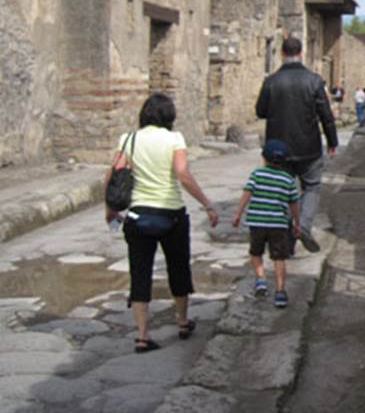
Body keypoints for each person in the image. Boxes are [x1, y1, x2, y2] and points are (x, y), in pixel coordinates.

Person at [104, 93, 220, 353]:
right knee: (178, 268)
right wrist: (206, 203)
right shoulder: (174, 139)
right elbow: (182, 173)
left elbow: (112, 174)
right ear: (169, 116)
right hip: (171, 215)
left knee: (140, 274)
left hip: (138, 216)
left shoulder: (128, 139)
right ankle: (181, 322)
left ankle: (143, 336)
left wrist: (109, 208)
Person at [255, 36, 338, 253]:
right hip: (308, 147)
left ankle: (286, 240)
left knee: (282, 191)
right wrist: (332, 141)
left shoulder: (271, 81)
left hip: (277, 150)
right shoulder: (314, 81)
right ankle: (304, 227)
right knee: (311, 187)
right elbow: (326, 115)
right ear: (301, 54)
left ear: (282, 53)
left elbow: (260, 111)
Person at [232, 139, 300, 308]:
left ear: (264, 158)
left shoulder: (257, 174)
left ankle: (261, 279)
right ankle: (280, 292)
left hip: (257, 222)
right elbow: (294, 204)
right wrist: (297, 223)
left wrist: (238, 214)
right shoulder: (288, 179)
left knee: (256, 252)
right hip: (278, 224)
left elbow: (247, 194)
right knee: (279, 258)